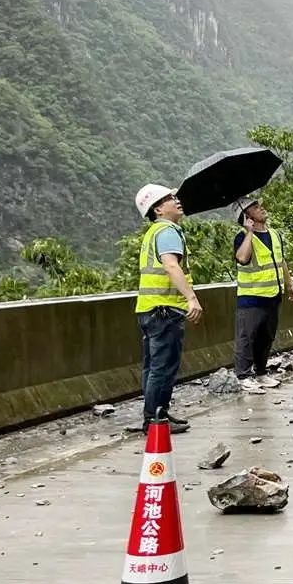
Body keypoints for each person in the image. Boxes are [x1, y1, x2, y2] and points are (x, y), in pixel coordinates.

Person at [132, 184, 203, 432]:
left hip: (149, 309)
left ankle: (155, 414)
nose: (177, 200)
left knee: (153, 366)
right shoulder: (168, 231)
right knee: (163, 366)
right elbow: (172, 266)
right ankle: (155, 419)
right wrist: (191, 298)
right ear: (159, 209)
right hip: (164, 309)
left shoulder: (154, 232)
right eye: (170, 198)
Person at [232, 196, 293, 392]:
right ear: (246, 216)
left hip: (273, 295)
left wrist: (291, 285)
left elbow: (281, 261)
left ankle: (260, 373)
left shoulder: (275, 235)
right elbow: (242, 258)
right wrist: (249, 232)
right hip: (251, 297)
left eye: (259, 205)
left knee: (266, 337)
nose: (261, 208)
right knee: (247, 337)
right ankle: (243, 376)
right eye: (254, 207)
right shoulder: (242, 237)